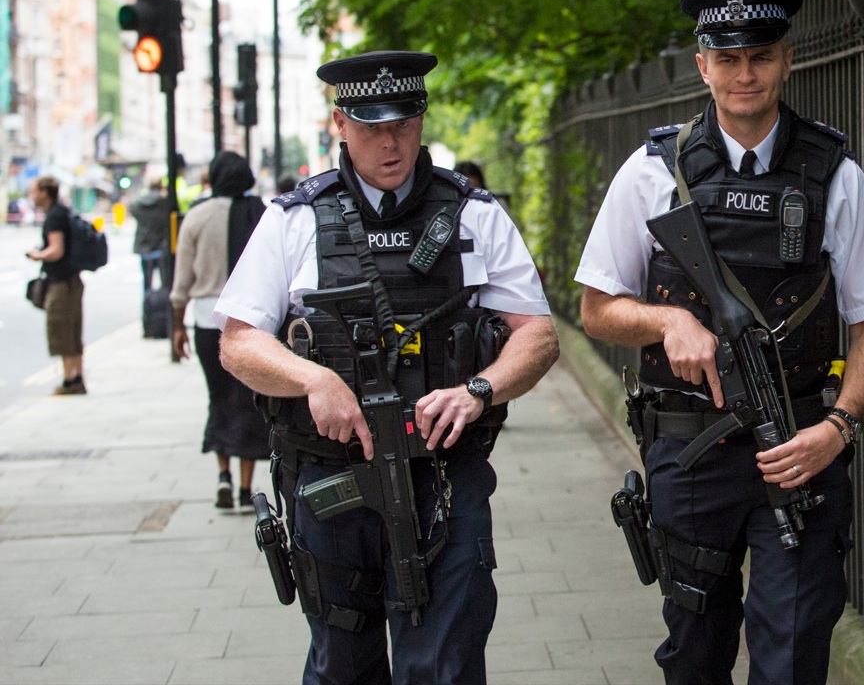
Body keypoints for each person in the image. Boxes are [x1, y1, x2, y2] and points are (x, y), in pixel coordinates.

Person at [574, 0, 864, 685]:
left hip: (800, 447)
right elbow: (596, 308)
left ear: (787, 61)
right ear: (702, 66)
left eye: (759, 56)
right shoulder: (652, 174)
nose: (744, 74)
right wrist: (667, 318)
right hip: (690, 452)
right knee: (695, 652)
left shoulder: (834, 175)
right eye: (726, 59)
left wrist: (840, 426)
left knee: (794, 650)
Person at [214, 50, 559, 684]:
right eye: (371, 126)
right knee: (342, 666)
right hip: (330, 483)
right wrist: (313, 378)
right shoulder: (293, 220)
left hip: (444, 479)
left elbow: (537, 336)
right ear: (339, 124)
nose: (389, 141)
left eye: (402, 122)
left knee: (445, 667)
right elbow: (237, 343)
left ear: (422, 119)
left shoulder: (474, 215)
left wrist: (481, 389)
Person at [170, 151, 269, 509]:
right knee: (248, 400)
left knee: (218, 397)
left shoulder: (197, 216)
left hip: (204, 318)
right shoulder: (262, 214)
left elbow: (181, 279)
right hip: (249, 319)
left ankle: (222, 475)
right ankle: (245, 488)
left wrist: (177, 326)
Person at [25, 176, 87, 395]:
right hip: (71, 280)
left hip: (62, 282)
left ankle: (70, 380)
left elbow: (56, 250)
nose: (30, 196)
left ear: (44, 192)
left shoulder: (54, 216)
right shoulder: (63, 211)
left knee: (61, 329)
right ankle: (77, 377)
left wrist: (36, 255)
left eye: (33, 191)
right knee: (73, 330)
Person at [129, 178, 174, 300]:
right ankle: (163, 310)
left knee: (147, 284)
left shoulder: (138, 203)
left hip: (144, 247)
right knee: (165, 283)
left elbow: (132, 210)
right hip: (161, 246)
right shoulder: (164, 203)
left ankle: (148, 311)